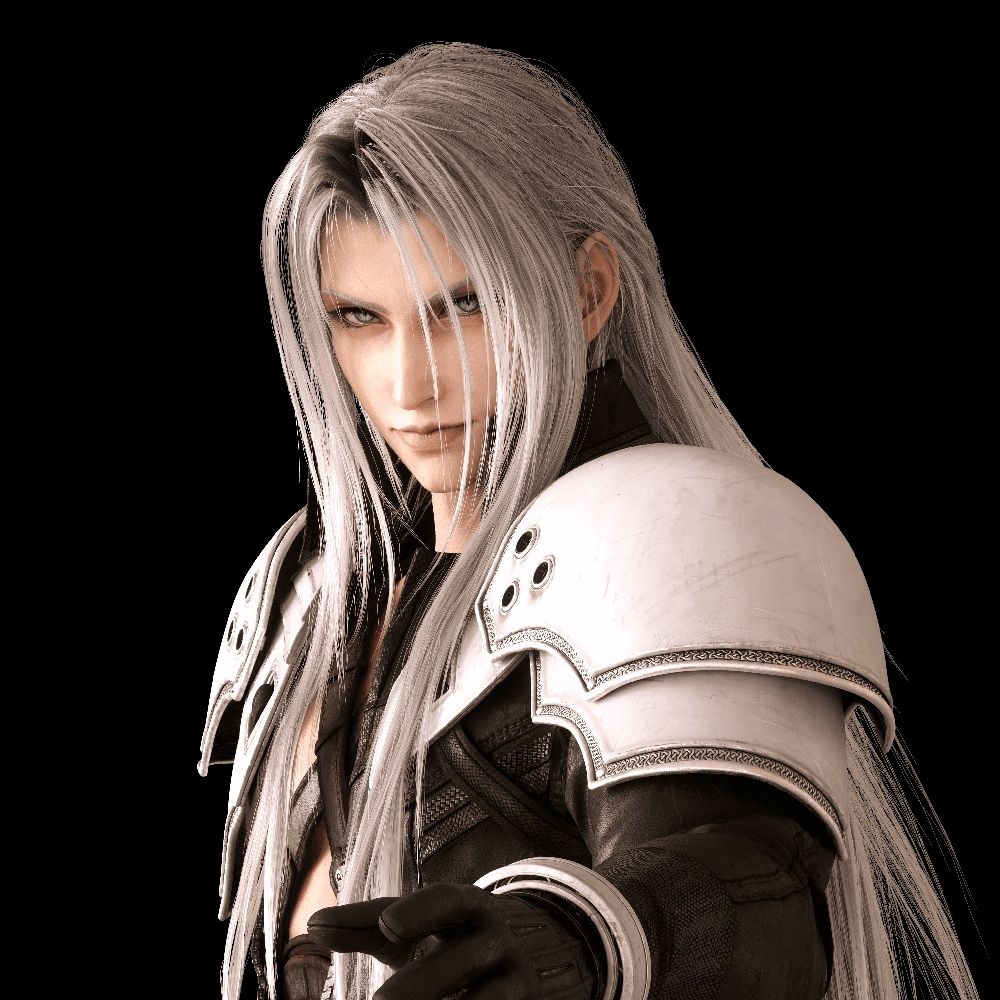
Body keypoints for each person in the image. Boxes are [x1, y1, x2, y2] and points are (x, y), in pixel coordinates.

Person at [198, 42, 979, 1000]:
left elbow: (758, 885)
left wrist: (583, 936)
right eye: (361, 318)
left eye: (463, 307)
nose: (408, 386)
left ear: (587, 292)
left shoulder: (674, 534)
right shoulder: (313, 589)